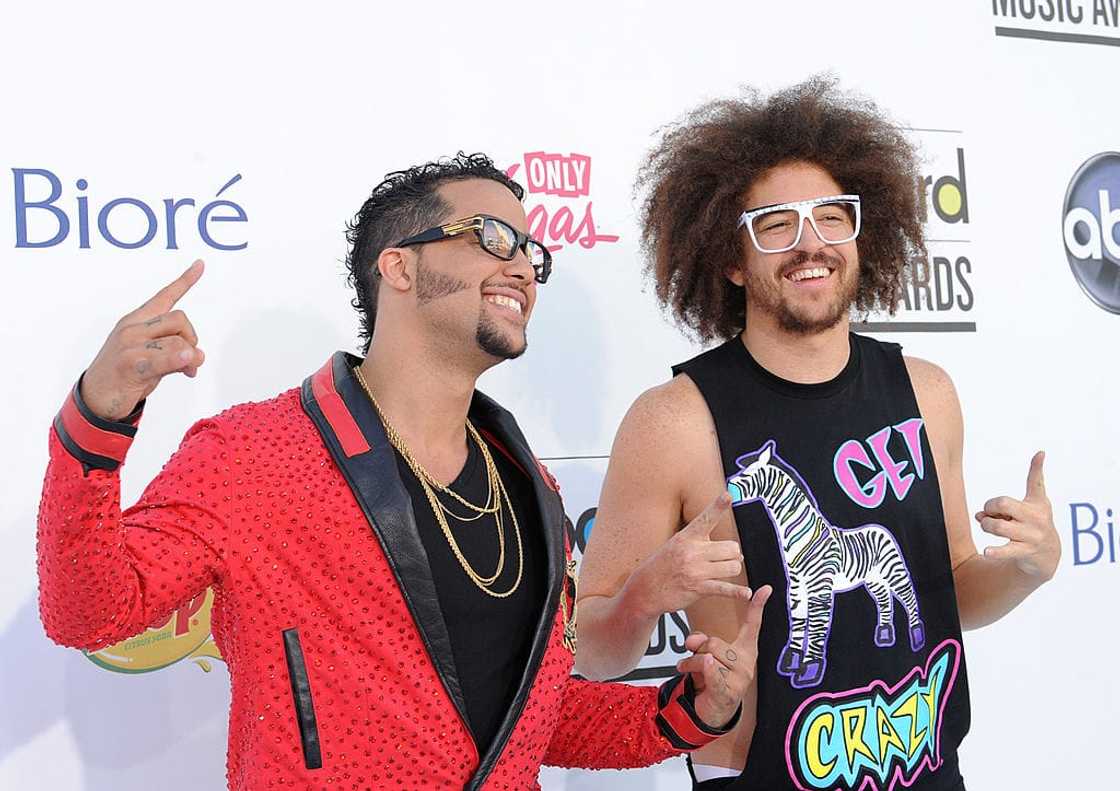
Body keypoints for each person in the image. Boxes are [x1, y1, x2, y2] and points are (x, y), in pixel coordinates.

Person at [37, 153, 770, 790]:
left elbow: (529, 720)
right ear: (399, 264)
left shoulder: (531, 487)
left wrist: (687, 711)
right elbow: (90, 613)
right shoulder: (252, 452)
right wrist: (96, 424)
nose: (520, 265)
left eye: (531, 251)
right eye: (490, 237)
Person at [574, 80, 1060, 791]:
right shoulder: (673, 421)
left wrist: (1025, 570)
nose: (810, 244)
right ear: (732, 258)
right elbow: (590, 651)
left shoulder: (928, 392)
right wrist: (648, 590)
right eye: (775, 223)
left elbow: (953, 590)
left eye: (832, 217)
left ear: (863, 236)